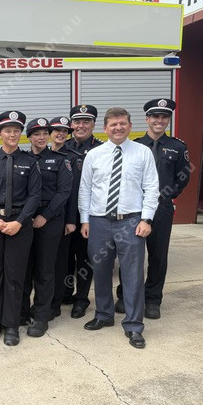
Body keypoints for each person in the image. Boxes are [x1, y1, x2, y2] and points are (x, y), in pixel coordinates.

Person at [79, 107, 159, 349]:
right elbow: (85, 189)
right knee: (101, 270)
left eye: (123, 123)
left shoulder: (143, 153)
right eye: (113, 124)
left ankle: (134, 325)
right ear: (105, 128)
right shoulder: (94, 155)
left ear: (130, 125)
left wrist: (146, 219)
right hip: (99, 221)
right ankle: (104, 314)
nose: (118, 128)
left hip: (131, 221)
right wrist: (85, 220)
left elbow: (152, 187)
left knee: (132, 274)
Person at [115, 98, 190, 319]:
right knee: (130, 255)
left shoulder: (178, 147)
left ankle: (153, 300)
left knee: (158, 256)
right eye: (155, 116)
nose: (160, 120)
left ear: (168, 120)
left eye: (164, 117)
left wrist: (167, 195)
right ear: (147, 119)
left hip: (161, 209)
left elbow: (183, 176)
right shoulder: (134, 146)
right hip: (135, 209)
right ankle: (125, 295)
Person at [0, 111, 41, 346]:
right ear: (0, 134)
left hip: (19, 225)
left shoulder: (30, 162)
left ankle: (11, 324)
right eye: (7, 131)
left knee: (14, 276)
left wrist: (19, 222)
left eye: (16, 130)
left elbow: (34, 196)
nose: (12, 134)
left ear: (21, 133)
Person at [21, 118, 72, 337]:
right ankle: (22, 312)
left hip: (50, 220)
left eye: (44, 133)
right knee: (23, 268)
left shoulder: (60, 160)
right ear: (29, 137)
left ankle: (42, 316)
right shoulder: (22, 159)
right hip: (24, 219)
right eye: (36, 134)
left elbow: (64, 192)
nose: (41, 137)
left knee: (45, 270)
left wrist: (45, 216)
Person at [64, 104, 103, 318]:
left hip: (89, 215)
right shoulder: (62, 147)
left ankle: (81, 299)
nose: (81, 126)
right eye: (77, 121)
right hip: (64, 215)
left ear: (93, 125)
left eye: (86, 122)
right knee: (65, 257)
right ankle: (65, 293)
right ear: (71, 124)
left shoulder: (102, 150)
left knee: (85, 259)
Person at [48, 116, 80, 319]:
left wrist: (70, 220)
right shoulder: (40, 153)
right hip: (42, 219)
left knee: (61, 262)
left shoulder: (73, 158)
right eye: (56, 131)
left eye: (64, 132)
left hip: (62, 217)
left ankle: (57, 300)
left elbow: (72, 193)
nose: (60, 134)